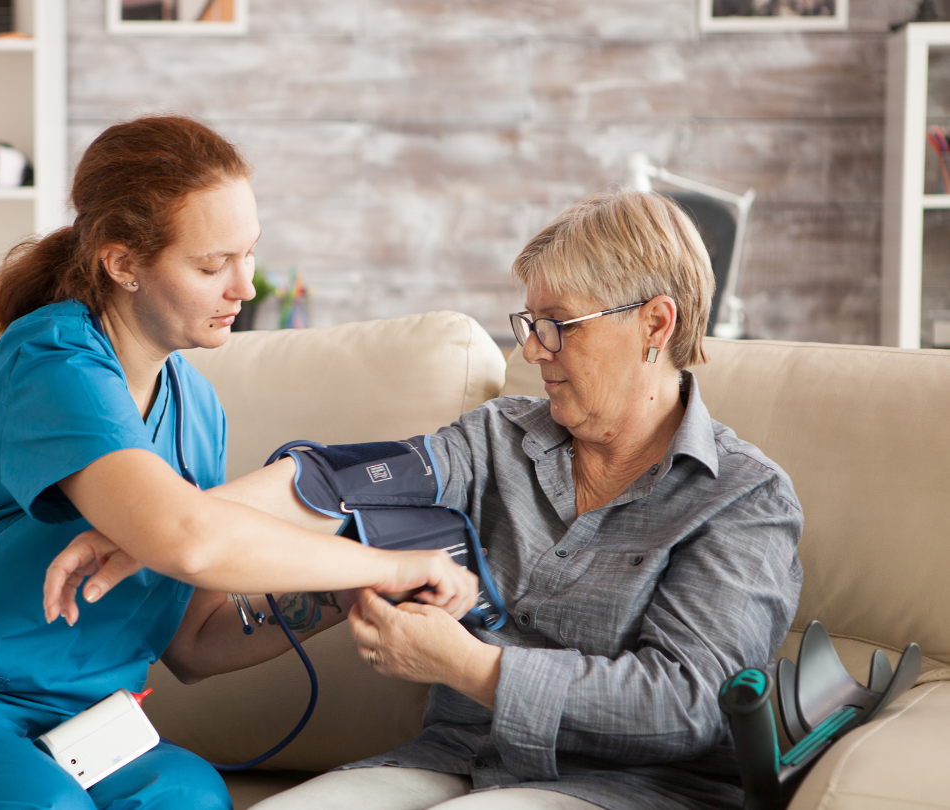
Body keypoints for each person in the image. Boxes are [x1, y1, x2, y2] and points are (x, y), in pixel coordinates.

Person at [0, 116, 478, 810]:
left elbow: (194, 641)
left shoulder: (196, 405)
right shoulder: (52, 363)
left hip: (75, 733)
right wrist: (387, 560)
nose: (243, 287)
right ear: (122, 263)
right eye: (212, 265)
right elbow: (188, 540)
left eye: (249, 255)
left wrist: (345, 597)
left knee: (188, 795)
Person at [46, 190, 804, 810]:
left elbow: (691, 704)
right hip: (454, 760)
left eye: (557, 326)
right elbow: (333, 482)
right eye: (528, 324)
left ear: (656, 323)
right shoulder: (501, 436)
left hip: (626, 789)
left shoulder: (743, 499)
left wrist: (474, 669)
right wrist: (159, 530)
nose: (532, 351)